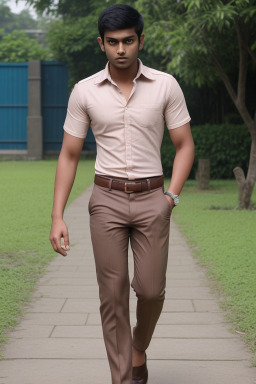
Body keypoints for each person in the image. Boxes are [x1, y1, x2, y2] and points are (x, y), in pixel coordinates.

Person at [49, 4, 194, 384]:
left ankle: (138, 348)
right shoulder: (85, 92)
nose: (121, 49)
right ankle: (123, 378)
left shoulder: (166, 85)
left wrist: (171, 198)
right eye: (113, 42)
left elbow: (184, 145)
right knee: (112, 297)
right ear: (101, 44)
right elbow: (68, 154)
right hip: (106, 200)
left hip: (153, 200)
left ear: (140, 40)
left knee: (149, 291)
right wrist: (57, 215)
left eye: (128, 40)